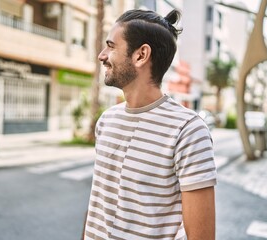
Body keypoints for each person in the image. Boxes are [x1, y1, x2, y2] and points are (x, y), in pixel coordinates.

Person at [84, 8, 217, 240]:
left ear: (141, 55)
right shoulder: (106, 121)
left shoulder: (188, 131)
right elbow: (98, 205)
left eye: (111, 46)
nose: (102, 55)